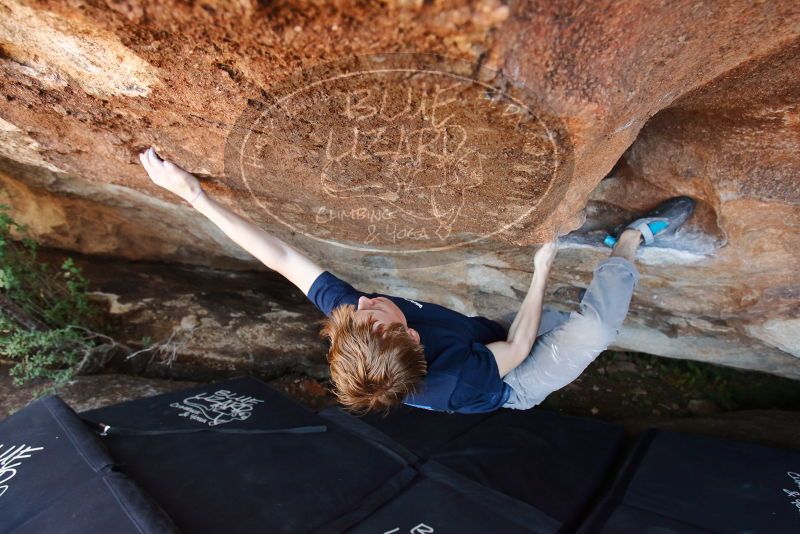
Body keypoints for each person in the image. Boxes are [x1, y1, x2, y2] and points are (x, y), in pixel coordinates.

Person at [138, 147, 695, 414]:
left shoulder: (358, 323)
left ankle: (590, 257)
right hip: (510, 377)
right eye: (381, 309)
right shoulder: (453, 382)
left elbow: (280, 257)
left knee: (554, 318)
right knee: (593, 330)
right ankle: (631, 241)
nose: (372, 298)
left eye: (365, 308)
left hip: (480, 336)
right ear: (409, 339)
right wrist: (542, 266)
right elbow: (518, 347)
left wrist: (194, 196)